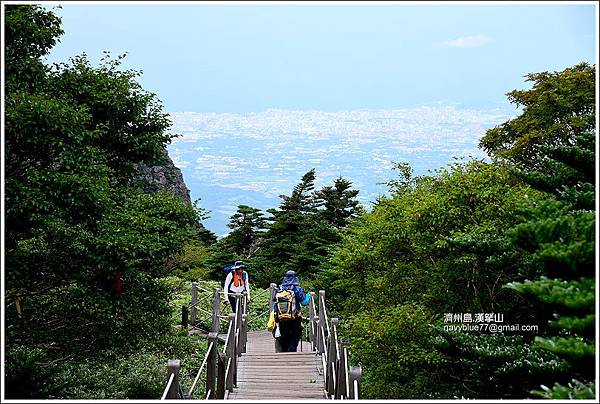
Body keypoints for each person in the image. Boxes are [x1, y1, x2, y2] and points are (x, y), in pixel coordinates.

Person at [273, 270, 311, 352]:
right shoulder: (296, 288)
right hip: (295, 316)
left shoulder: (280, 288)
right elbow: (304, 302)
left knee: (284, 333)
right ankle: (292, 350)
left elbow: (274, 301)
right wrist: (309, 296)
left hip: (281, 316)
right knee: (296, 333)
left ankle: (285, 350)